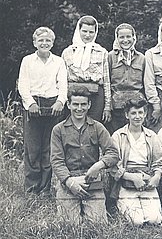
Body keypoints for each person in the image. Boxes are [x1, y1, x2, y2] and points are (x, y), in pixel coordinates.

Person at [50, 86, 119, 225]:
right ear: (68, 105)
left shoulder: (98, 127)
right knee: (69, 225)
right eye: (75, 104)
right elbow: (57, 161)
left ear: (89, 105)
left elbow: (113, 153)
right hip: (69, 181)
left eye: (83, 104)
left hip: (91, 181)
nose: (79, 108)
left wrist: (98, 166)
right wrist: (69, 182)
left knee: (98, 224)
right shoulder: (58, 130)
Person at [18, 27, 68, 195]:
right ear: (35, 43)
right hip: (33, 105)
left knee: (49, 148)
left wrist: (61, 101)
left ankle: (45, 189)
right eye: (41, 40)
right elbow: (23, 85)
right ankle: (32, 189)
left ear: (52, 43)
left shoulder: (59, 62)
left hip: (53, 106)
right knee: (33, 149)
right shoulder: (27, 61)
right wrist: (30, 103)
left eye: (48, 40)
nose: (44, 43)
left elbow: (63, 85)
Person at [110, 93, 162, 225]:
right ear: (126, 115)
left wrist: (156, 176)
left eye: (141, 112)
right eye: (133, 113)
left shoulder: (151, 136)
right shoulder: (118, 136)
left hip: (147, 181)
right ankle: (122, 204)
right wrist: (131, 177)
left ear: (145, 114)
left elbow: (158, 162)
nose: (137, 116)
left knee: (155, 219)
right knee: (136, 221)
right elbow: (113, 166)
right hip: (127, 182)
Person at [62, 15, 111, 123]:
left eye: (91, 32)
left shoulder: (102, 52)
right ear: (78, 30)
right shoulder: (68, 52)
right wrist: (63, 100)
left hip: (96, 95)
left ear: (95, 32)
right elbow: (62, 79)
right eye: (84, 31)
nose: (87, 35)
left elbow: (106, 81)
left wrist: (107, 106)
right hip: (74, 94)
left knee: (93, 126)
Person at [108, 23, 145, 133]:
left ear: (133, 37)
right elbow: (107, 83)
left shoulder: (141, 58)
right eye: (122, 37)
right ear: (117, 38)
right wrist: (108, 106)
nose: (125, 40)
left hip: (136, 106)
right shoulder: (110, 57)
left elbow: (146, 84)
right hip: (117, 107)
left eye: (128, 36)